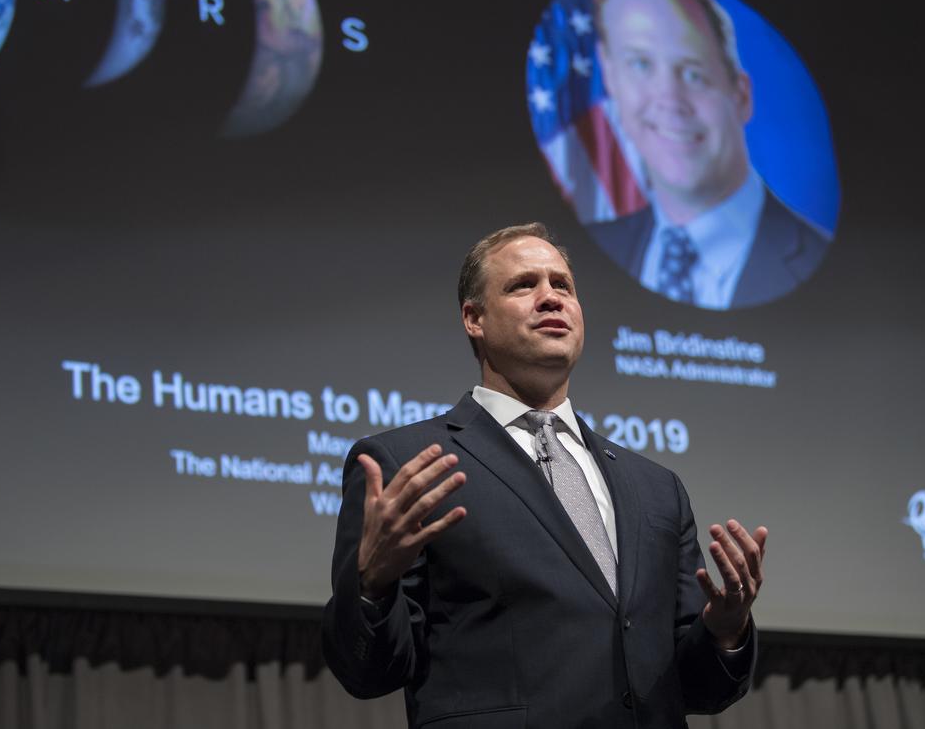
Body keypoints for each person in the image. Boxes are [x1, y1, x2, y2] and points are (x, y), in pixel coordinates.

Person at [323, 222, 767, 728]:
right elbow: (368, 672)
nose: (550, 298)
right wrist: (372, 585)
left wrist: (726, 627)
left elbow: (697, 688)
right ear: (474, 319)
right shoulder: (406, 462)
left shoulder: (656, 487)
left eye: (563, 285)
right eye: (523, 285)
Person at [577, 0, 830, 309]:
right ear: (610, 79)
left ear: (741, 95)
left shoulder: (820, 263)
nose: (669, 100)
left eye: (693, 73)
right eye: (640, 64)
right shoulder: (583, 259)